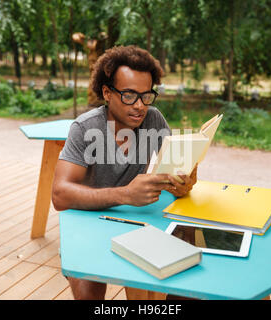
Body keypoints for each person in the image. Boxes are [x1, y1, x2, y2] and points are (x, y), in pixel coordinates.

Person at [52, 45, 197, 300]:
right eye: (129, 95)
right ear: (107, 92)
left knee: (181, 286)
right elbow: (60, 195)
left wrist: (183, 184)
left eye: (146, 96)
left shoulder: (155, 120)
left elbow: (176, 171)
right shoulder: (85, 128)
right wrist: (125, 195)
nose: (140, 106)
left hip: (140, 226)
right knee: (89, 295)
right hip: (88, 228)